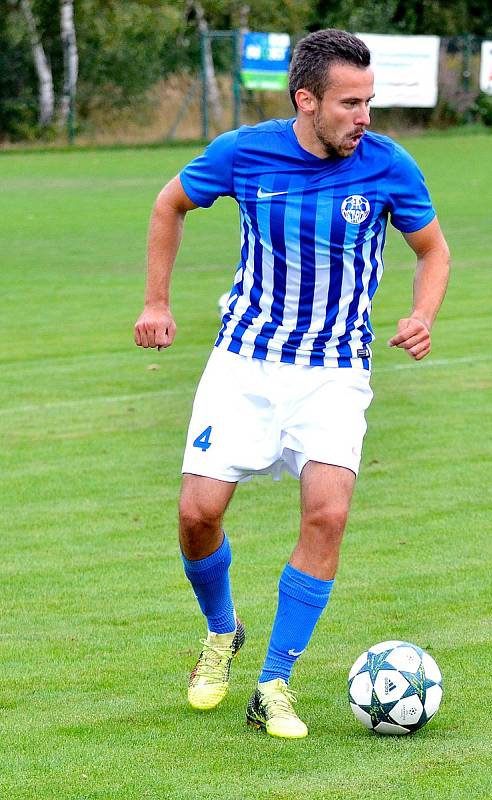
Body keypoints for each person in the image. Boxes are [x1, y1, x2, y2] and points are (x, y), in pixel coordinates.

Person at [134, 28, 450, 740]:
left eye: (369, 102)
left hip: (336, 370)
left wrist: (421, 313)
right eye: (348, 104)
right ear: (305, 100)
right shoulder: (245, 153)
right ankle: (222, 633)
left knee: (327, 514)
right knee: (196, 514)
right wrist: (157, 301)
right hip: (245, 362)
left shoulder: (388, 166)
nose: (363, 118)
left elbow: (433, 251)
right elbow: (169, 203)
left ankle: (273, 681)